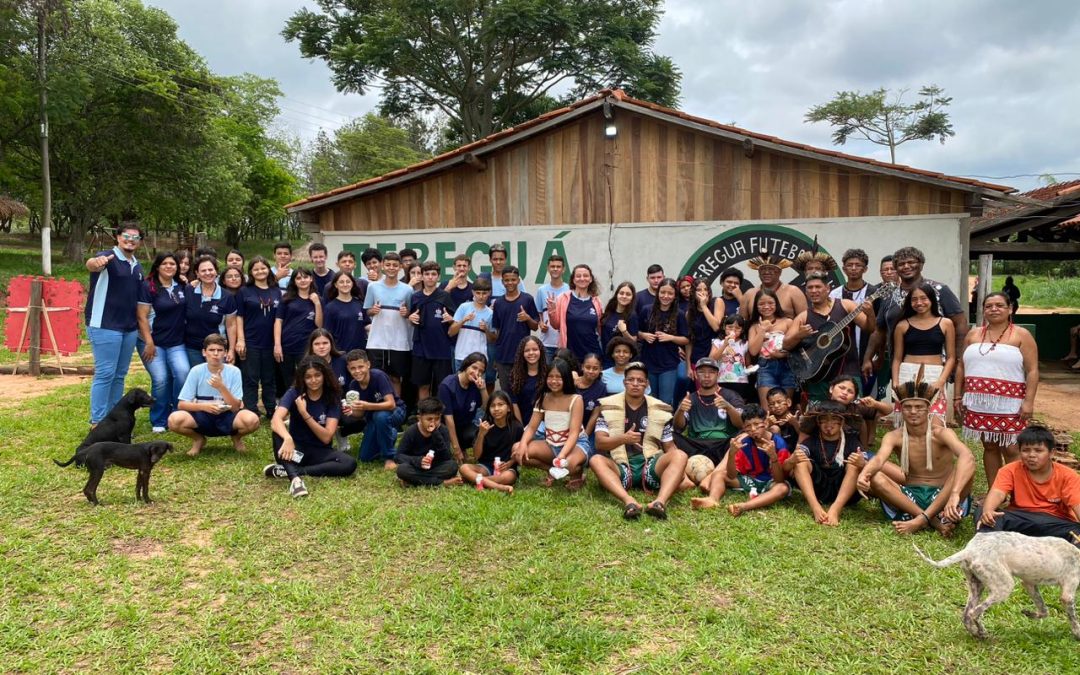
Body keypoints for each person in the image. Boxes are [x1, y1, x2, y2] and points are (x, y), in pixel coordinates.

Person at [858, 373, 976, 537]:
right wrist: (864, 474)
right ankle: (931, 520)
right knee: (876, 477)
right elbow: (878, 459)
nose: (913, 411)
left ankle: (921, 519)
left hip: (944, 495)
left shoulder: (942, 433)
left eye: (919, 407)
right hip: (911, 496)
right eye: (908, 407)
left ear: (928, 408)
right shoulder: (894, 436)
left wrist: (955, 494)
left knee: (965, 467)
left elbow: (968, 456)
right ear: (902, 409)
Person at [955, 291, 1039, 489]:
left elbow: (1033, 370)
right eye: (989, 306)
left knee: (1011, 448)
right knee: (990, 446)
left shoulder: (1021, 335)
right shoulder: (973, 334)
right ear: (983, 310)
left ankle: (1018, 494)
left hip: (1010, 403)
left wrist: (1028, 401)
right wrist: (958, 396)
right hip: (978, 403)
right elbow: (961, 366)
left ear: (1010, 309)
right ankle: (995, 492)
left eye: (999, 305)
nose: (993, 309)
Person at [590, 362, 689, 519]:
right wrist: (624, 438)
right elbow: (599, 443)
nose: (635, 384)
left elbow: (669, 446)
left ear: (647, 384)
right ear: (624, 382)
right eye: (631, 380)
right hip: (620, 466)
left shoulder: (659, 409)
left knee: (680, 455)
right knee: (595, 460)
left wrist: (678, 470)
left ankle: (659, 503)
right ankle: (628, 501)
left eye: (640, 380)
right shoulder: (609, 406)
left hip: (649, 465)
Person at [865, 246, 967, 388]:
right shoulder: (889, 296)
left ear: (921, 264)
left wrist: (957, 360)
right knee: (905, 409)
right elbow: (879, 330)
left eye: (911, 262)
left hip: (936, 367)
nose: (906, 266)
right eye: (901, 264)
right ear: (896, 268)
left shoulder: (939, 291)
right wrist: (868, 358)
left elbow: (960, 325)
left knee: (932, 409)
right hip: (900, 367)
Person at [264, 355, 356, 498]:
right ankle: (295, 480)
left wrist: (304, 413)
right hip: (294, 451)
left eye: (317, 375)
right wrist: (288, 438)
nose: (313, 380)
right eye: (308, 377)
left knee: (349, 463)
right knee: (277, 431)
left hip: (320, 452)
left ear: (324, 375)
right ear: (302, 378)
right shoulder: (294, 392)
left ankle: (295, 471)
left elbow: (326, 437)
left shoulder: (332, 396)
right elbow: (275, 419)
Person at [85, 223, 145, 425]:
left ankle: (114, 419)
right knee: (105, 373)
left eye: (135, 237)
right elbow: (92, 264)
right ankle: (98, 422)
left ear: (139, 242)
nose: (130, 240)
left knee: (119, 375)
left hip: (128, 328)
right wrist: (96, 261)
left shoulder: (136, 265)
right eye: (126, 236)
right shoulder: (108, 257)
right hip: (104, 324)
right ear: (118, 237)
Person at [977, 425, 1080, 542]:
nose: (1031, 455)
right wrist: (988, 511)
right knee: (983, 512)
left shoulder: (1068, 476)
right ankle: (991, 546)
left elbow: (1077, 505)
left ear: (1051, 453)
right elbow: (998, 493)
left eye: (1038, 450)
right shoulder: (1010, 470)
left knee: (1077, 532)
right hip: (1020, 519)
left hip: (1054, 523)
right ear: (1019, 452)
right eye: (1026, 450)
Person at [784, 271, 873, 402]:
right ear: (806, 292)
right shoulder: (803, 316)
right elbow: (786, 344)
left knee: (853, 412)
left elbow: (869, 328)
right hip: (818, 375)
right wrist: (798, 335)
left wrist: (870, 313)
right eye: (810, 288)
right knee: (819, 415)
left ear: (827, 288)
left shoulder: (846, 305)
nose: (814, 291)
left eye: (818, 287)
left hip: (848, 370)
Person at [168, 334, 261, 456]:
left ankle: (236, 438)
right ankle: (198, 439)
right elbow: (181, 404)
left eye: (220, 350)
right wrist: (204, 407)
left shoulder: (234, 371)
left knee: (252, 420)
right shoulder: (196, 371)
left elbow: (235, 407)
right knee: (174, 420)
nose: (215, 354)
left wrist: (221, 387)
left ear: (225, 353)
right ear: (204, 352)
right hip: (201, 416)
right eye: (211, 350)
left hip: (227, 415)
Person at [692, 404, 791, 515]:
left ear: (766, 423)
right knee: (719, 474)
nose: (753, 429)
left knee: (782, 488)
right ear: (744, 427)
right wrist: (732, 454)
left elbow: (779, 479)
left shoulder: (778, 443)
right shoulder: (744, 443)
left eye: (757, 424)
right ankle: (713, 499)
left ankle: (744, 506)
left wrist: (773, 457)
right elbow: (731, 475)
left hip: (770, 482)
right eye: (748, 426)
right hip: (750, 480)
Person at [514, 357, 591, 490]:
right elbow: (532, 427)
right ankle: (552, 470)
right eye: (550, 377)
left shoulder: (576, 399)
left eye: (558, 377)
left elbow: (573, 434)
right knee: (517, 450)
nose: (554, 381)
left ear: (566, 379)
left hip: (575, 445)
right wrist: (522, 444)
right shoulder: (542, 398)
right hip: (551, 444)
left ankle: (577, 474)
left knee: (568, 464)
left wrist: (562, 456)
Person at [784, 401, 865, 526]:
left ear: (842, 422)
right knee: (800, 462)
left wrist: (862, 463)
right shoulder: (811, 441)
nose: (829, 424)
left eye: (834, 420)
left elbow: (868, 466)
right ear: (818, 423)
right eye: (824, 420)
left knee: (854, 464)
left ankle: (835, 509)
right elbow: (786, 467)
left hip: (845, 491)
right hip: (818, 490)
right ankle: (816, 508)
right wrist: (791, 460)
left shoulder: (852, 441)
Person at [136, 252, 190, 433]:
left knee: (182, 373)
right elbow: (142, 317)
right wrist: (149, 342)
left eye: (173, 264)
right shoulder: (148, 286)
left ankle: (177, 413)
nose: (169, 267)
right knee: (161, 379)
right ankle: (159, 419)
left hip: (176, 342)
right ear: (158, 266)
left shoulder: (182, 285)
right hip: (152, 341)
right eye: (165, 264)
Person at [890, 283, 956, 425]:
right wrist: (895, 382)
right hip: (907, 374)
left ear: (932, 300)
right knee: (908, 421)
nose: (919, 303)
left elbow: (951, 358)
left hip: (935, 374)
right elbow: (896, 358)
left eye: (923, 298)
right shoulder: (902, 325)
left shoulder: (946, 323)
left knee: (935, 423)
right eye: (914, 299)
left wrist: (941, 381)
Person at [672, 357, 745, 467]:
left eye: (711, 372)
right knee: (670, 435)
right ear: (696, 375)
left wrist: (729, 408)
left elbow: (742, 424)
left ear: (718, 375)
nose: (707, 376)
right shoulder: (689, 398)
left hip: (724, 443)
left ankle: (725, 465)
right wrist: (680, 411)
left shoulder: (731, 395)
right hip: (697, 444)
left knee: (744, 435)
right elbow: (678, 427)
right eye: (702, 372)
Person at [340, 349, 407, 468]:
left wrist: (367, 405)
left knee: (380, 416)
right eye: (353, 368)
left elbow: (391, 404)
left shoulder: (378, 376)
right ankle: (389, 434)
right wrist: (351, 412)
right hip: (373, 418)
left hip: (396, 411)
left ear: (368, 365)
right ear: (348, 369)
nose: (357, 371)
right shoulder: (353, 385)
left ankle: (389, 457)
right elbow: (360, 414)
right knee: (364, 457)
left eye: (361, 367)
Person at [235, 256, 281, 419]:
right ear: (251, 272)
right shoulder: (244, 291)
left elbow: (279, 319)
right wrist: (241, 340)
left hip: (270, 342)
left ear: (268, 269)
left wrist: (278, 343)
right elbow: (239, 317)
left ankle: (270, 409)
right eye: (256, 269)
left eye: (263, 268)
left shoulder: (276, 291)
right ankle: (251, 409)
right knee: (250, 377)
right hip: (251, 341)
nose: (260, 271)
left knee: (269, 377)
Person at [363, 252, 414, 395]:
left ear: (400, 267)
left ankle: (397, 410)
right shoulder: (372, 287)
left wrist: (407, 313)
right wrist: (373, 310)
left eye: (395, 265)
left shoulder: (407, 289)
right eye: (388, 265)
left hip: (399, 342)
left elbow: (410, 314)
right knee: (375, 377)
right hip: (377, 341)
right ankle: (376, 408)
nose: (391, 268)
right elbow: (367, 311)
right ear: (383, 266)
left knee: (396, 378)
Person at [831, 249, 878, 395]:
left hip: (865, 354)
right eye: (849, 265)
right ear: (843, 268)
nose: (853, 268)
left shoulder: (874, 293)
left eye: (858, 265)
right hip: (840, 357)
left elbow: (877, 328)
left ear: (865, 269)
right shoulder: (834, 294)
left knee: (867, 400)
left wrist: (868, 358)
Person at [637, 278, 689, 406]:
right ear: (657, 293)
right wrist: (644, 335)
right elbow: (636, 332)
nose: (666, 296)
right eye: (662, 292)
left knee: (665, 402)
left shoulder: (679, 314)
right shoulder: (646, 310)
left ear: (675, 295)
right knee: (649, 400)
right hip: (648, 362)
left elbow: (687, 339)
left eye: (670, 293)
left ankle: (666, 425)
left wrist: (670, 337)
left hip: (669, 364)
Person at [409, 261, 456, 401]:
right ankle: (424, 414)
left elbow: (454, 322)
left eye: (433, 274)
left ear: (438, 277)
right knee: (423, 385)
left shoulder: (445, 296)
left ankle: (442, 416)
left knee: (442, 385)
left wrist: (451, 319)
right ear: (422, 276)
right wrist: (410, 317)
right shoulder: (415, 297)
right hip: (421, 347)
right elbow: (411, 318)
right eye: (427, 274)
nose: (430, 277)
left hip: (441, 347)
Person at [459, 391, 521, 493]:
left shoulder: (516, 427)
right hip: (485, 467)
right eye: (492, 406)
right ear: (488, 409)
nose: (496, 409)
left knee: (509, 477)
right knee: (464, 468)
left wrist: (510, 463)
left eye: (500, 405)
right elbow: (477, 456)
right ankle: (500, 487)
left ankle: (475, 480)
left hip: (504, 468)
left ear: (509, 408)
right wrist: (481, 434)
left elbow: (519, 451)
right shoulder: (485, 426)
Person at [491, 265, 540, 392]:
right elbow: (497, 332)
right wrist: (496, 357)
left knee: (524, 391)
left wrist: (527, 318)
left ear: (518, 280)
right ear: (502, 282)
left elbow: (535, 327)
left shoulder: (527, 299)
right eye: (507, 280)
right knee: (506, 393)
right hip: (503, 357)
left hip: (524, 356)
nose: (510, 283)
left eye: (513, 279)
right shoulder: (498, 303)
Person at [183, 255, 238, 367]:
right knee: (198, 380)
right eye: (203, 270)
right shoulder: (189, 290)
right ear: (197, 274)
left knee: (215, 381)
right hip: (192, 347)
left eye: (210, 269)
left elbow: (231, 325)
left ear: (216, 271)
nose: (207, 273)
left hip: (216, 349)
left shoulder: (226, 296)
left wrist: (231, 350)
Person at [395, 398, 463, 487]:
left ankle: (413, 481)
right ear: (419, 418)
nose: (433, 423)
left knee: (452, 466)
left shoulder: (443, 430)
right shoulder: (411, 431)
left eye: (437, 419)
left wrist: (436, 434)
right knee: (402, 470)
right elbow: (399, 456)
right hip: (417, 467)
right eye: (429, 419)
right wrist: (419, 461)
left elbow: (446, 457)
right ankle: (442, 483)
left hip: (436, 466)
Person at [273, 268, 323, 386]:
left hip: (306, 347)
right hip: (286, 345)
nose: (302, 280)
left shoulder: (318, 300)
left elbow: (319, 325)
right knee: (288, 380)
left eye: (305, 277)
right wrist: (277, 345)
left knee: (307, 377)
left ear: (311, 279)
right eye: (298, 278)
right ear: (294, 281)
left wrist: (317, 303)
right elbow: (278, 322)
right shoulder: (286, 299)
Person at [748, 288, 795, 409]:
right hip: (765, 367)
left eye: (770, 303)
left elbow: (796, 346)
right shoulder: (754, 327)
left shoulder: (787, 322)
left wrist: (782, 355)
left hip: (787, 366)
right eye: (761, 304)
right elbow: (753, 351)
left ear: (776, 304)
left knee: (785, 407)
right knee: (768, 409)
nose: (766, 307)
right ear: (756, 306)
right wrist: (762, 329)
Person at [547, 263, 604, 362]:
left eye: (586, 276)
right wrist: (552, 310)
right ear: (573, 279)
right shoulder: (563, 298)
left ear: (590, 279)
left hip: (592, 354)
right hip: (569, 353)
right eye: (578, 276)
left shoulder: (596, 301)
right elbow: (556, 325)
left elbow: (600, 328)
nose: (582, 278)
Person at [438, 352, 489, 461]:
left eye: (480, 371)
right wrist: (456, 449)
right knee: (444, 456)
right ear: (466, 365)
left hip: (464, 426)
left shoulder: (475, 385)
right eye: (474, 368)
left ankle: (467, 450)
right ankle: (456, 449)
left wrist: (483, 389)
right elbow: (448, 419)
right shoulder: (447, 385)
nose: (476, 373)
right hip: (445, 428)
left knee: (481, 434)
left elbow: (486, 408)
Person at [739, 250, 807, 321]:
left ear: (780, 272)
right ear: (759, 273)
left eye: (771, 269)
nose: (766, 272)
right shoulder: (749, 294)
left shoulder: (793, 292)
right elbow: (740, 324)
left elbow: (805, 322)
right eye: (763, 269)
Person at [449, 277, 494, 371]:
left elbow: (492, 340)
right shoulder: (463, 307)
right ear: (473, 292)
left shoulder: (491, 313)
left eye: (484, 293)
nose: (481, 296)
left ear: (489, 293)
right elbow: (451, 332)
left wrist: (486, 329)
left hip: (480, 360)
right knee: (459, 385)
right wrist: (463, 321)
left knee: (478, 385)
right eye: (478, 293)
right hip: (461, 357)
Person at [685, 278, 721, 386]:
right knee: (701, 390)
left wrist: (704, 306)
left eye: (705, 289)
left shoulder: (717, 302)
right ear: (693, 292)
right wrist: (688, 366)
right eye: (699, 290)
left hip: (715, 354)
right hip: (697, 357)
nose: (702, 292)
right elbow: (690, 341)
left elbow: (716, 327)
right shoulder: (689, 313)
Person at [708, 315, 752, 401]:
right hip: (722, 379)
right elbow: (712, 359)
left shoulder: (744, 343)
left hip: (740, 380)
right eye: (730, 327)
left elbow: (747, 362)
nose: (733, 330)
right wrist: (724, 344)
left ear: (742, 330)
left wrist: (750, 367)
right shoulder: (718, 342)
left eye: (737, 328)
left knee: (738, 402)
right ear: (724, 327)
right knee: (721, 403)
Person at [535, 254, 569, 360]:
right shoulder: (541, 290)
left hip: (565, 343)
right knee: (546, 375)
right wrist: (540, 323)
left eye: (558, 267)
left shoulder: (569, 290)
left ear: (563, 269)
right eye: (552, 266)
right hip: (547, 343)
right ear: (548, 269)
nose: (555, 269)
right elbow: (538, 313)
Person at [323, 270, 367, 352]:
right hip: (340, 352)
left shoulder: (360, 304)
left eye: (348, 282)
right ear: (336, 285)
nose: (345, 284)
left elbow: (367, 325)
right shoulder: (330, 308)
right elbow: (327, 333)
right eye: (341, 282)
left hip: (360, 353)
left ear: (352, 284)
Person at [599, 281, 639, 367]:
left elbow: (633, 342)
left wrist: (624, 331)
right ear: (617, 294)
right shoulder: (609, 311)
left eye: (628, 294)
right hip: (605, 358)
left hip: (620, 361)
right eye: (621, 293)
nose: (624, 296)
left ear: (632, 297)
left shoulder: (632, 316)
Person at [508, 335, 547, 422]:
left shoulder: (548, 373)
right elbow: (514, 404)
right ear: (522, 353)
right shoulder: (515, 376)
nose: (531, 353)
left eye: (535, 349)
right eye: (527, 350)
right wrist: (521, 429)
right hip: (523, 423)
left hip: (545, 425)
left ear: (541, 351)